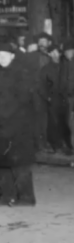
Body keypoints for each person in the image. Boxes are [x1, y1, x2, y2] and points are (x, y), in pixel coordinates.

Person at [0, 40, 36, 206]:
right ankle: (7, 195)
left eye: (4, 55)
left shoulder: (21, 73)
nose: (1, 58)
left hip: (18, 126)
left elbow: (24, 99)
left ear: (12, 56)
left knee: (20, 164)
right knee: (3, 163)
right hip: (3, 126)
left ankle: (26, 197)